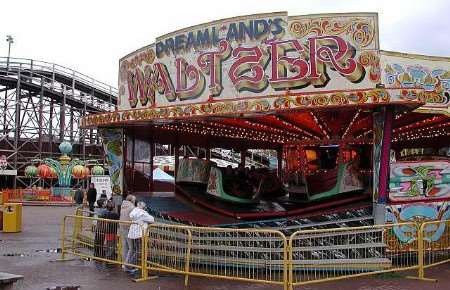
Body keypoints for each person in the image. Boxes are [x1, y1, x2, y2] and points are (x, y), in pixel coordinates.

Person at [127, 201, 154, 275]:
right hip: (140, 234)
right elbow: (152, 219)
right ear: (141, 205)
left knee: (136, 250)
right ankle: (130, 266)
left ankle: (131, 265)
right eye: (144, 205)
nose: (145, 206)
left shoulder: (134, 212)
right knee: (139, 251)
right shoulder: (142, 213)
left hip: (134, 234)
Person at [119, 194, 136, 272]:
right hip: (128, 228)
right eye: (134, 200)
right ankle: (127, 265)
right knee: (131, 248)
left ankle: (123, 263)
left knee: (125, 246)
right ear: (132, 200)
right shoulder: (132, 207)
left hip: (122, 227)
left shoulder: (123, 206)